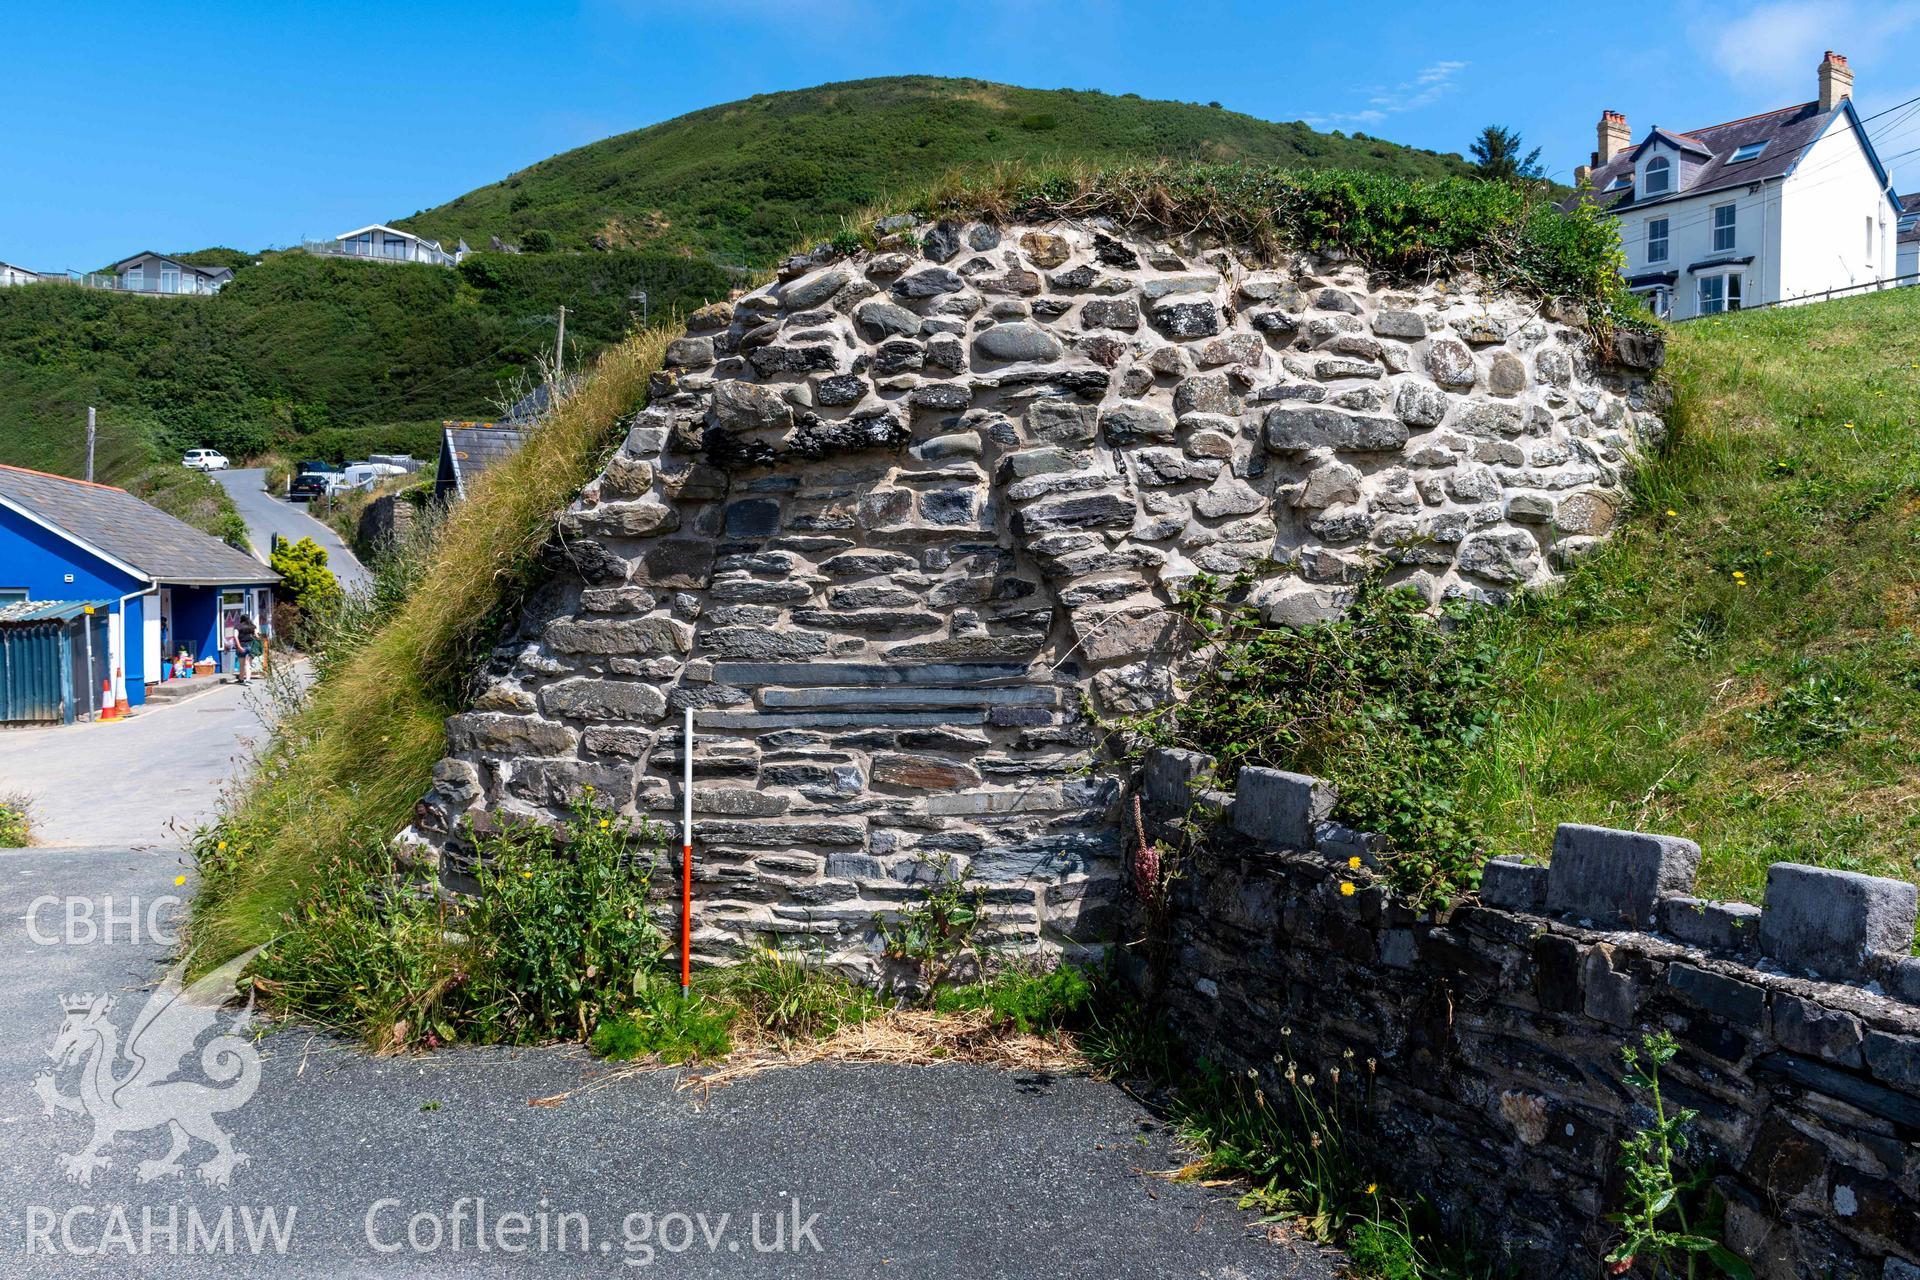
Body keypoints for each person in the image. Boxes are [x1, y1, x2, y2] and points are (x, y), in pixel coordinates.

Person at [235, 613, 260, 685]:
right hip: (250, 646)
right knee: (248, 664)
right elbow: (257, 636)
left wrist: (239, 646)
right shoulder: (252, 626)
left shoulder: (238, 627)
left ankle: (241, 679)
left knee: (242, 664)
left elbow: (235, 636)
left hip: (241, 646)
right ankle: (248, 680)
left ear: (241, 619)